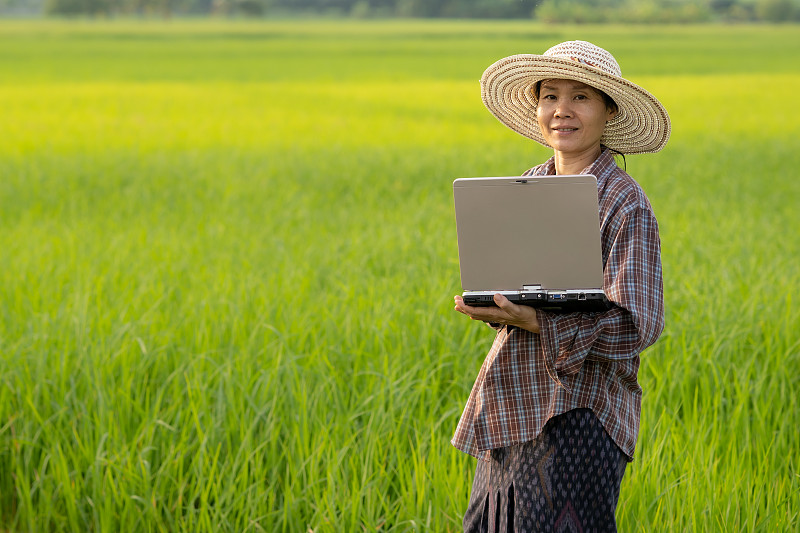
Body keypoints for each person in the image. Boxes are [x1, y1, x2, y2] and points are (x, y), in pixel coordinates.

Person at [452, 40, 670, 532]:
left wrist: (535, 322)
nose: (562, 111)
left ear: (608, 111)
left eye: (581, 97)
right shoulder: (527, 186)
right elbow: (519, 284)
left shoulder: (623, 201)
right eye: (550, 96)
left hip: (579, 415)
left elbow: (637, 326)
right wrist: (496, 303)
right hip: (513, 402)